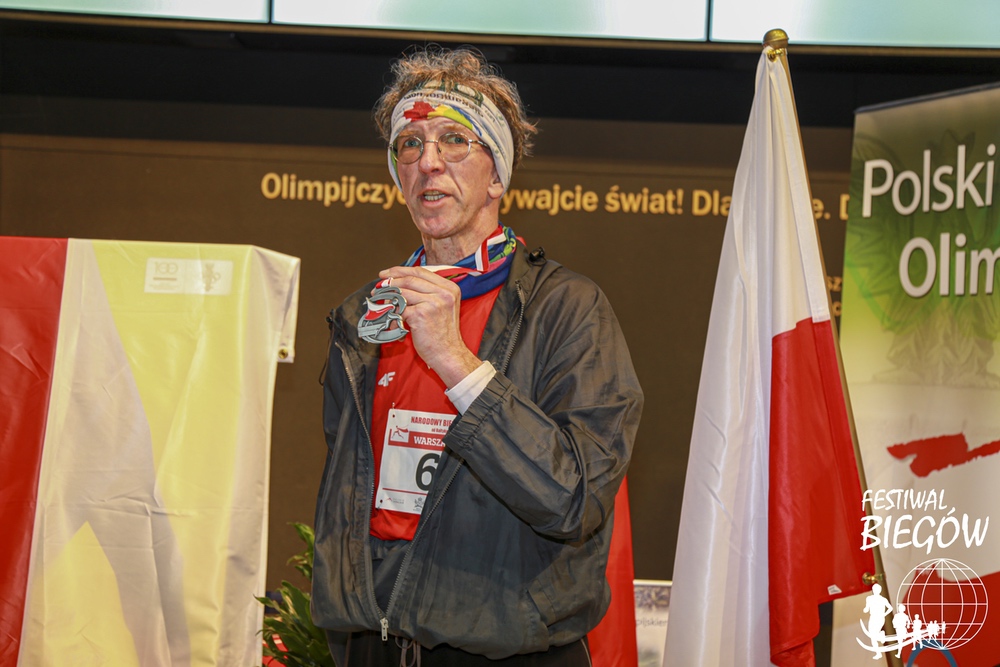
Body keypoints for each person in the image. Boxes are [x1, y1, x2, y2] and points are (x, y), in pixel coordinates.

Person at [311, 45, 643, 666]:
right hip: (374, 644)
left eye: (454, 140)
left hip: (506, 651)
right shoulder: (364, 316)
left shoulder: (568, 307)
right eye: (410, 145)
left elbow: (575, 498)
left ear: (497, 177)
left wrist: (456, 362)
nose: (428, 161)